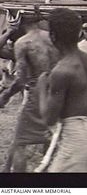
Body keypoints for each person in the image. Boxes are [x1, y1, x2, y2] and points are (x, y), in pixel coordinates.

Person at [38, 8, 87, 172]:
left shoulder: (61, 71)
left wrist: (42, 87)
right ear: (79, 33)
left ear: (53, 36)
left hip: (78, 139)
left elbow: (49, 118)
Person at [0, 18, 60, 172]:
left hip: (37, 92)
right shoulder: (53, 36)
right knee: (50, 135)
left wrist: (5, 96)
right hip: (58, 91)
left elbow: (21, 80)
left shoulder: (24, 42)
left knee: (20, 142)